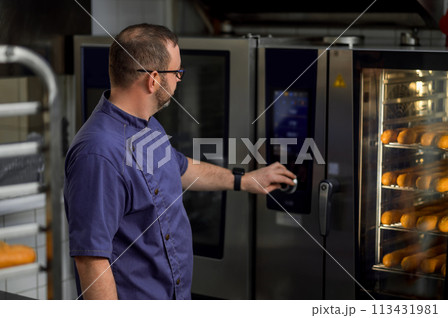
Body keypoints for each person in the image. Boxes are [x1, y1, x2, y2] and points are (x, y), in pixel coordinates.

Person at [64, 23, 296, 300]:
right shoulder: (98, 154)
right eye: (177, 72)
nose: (178, 80)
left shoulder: (146, 126)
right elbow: (91, 261)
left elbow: (178, 167)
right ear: (153, 79)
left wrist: (243, 180)